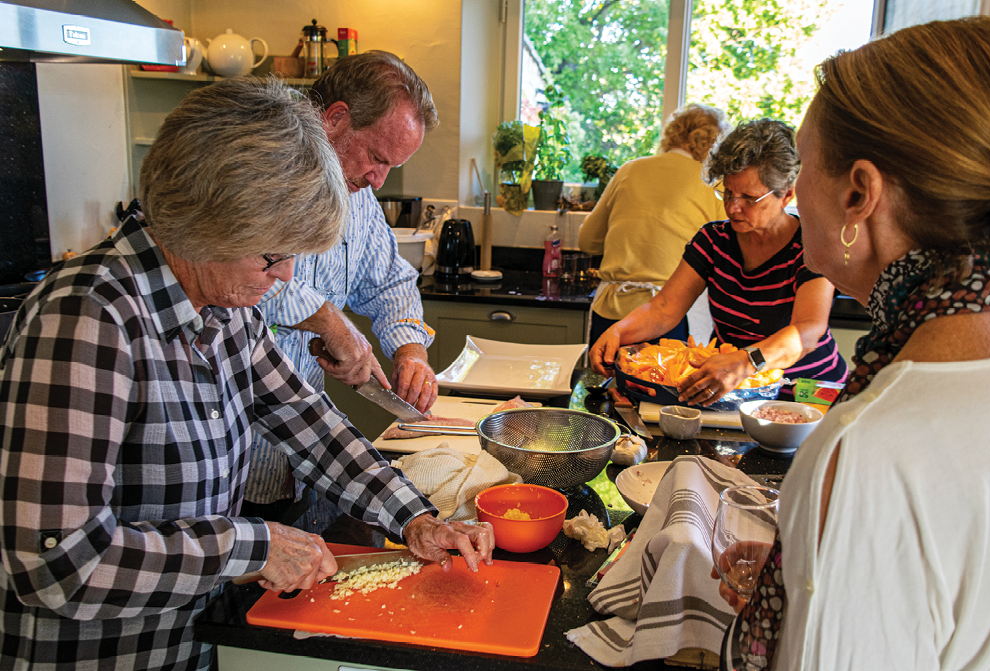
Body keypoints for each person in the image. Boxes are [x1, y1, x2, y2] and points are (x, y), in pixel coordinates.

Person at [0, 77, 493, 671]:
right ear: (205, 223)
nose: (285, 277)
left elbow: (309, 425)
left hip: (190, 641)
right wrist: (248, 546)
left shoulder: (225, 308)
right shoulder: (86, 318)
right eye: (273, 256)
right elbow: (55, 564)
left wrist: (415, 518)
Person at [718, 17, 990, 670]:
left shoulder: (868, 453)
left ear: (859, 192)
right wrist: (811, 574)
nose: (796, 195)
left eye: (804, 169)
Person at [244, 51, 439, 521]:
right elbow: (239, 273)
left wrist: (410, 351)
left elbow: (390, 281)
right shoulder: (255, 168)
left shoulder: (358, 196)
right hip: (236, 457)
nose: (378, 179)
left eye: (391, 166)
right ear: (334, 119)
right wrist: (328, 320)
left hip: (305, 456)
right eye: (376, 157)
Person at [590, 119, 848, 404]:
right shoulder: (714, 240)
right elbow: (664, 308)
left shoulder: (811, 245)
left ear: (786, 194)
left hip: (808, 393)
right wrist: (619, 331)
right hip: (736, 394)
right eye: (727, 192)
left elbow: (807, 331)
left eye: (749, 198)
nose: (733, 207)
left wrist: (746, 361)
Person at [579, 103, 728, 346]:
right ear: (714, 144)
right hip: (673, 314)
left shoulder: (629, 170)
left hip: (612, 311)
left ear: (672, 133)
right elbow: (727, 251)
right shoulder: (711, 183)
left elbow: (587, 242)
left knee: (606, 371)